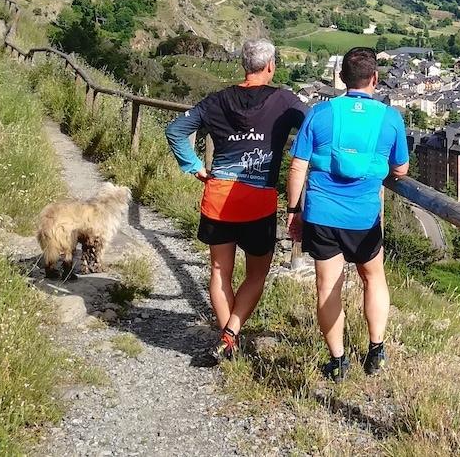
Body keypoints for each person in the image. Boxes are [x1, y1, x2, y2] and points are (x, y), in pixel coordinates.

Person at [165, 39, 304, 363]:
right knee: (256, 274)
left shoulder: (216, 100)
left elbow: (175, 131)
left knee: (219, 271)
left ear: (244, 65)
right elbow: (315, 126)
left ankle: (228, 340)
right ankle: (231, 334)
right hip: (258, 202)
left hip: (218, 198)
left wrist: (194, 166)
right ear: (270, 66)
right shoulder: (284, 100)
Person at [287, 46, 409, 381]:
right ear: (375, 78)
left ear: (342, 78)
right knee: (373, 277)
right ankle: (376, 349)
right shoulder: (390, 118)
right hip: (364, 217)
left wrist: (293, 210)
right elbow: (401, 168)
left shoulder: (320, 113)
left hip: (322, 214)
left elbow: (297, 167)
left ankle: (338, 361)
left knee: (328, 286)